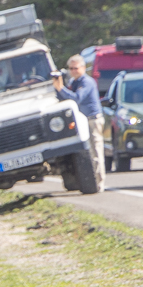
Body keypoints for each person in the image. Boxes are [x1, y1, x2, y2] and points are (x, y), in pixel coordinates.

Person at [53, 54, 104, 191]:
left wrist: (60, 88)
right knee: (88, 152)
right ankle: (94, 181)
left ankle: (100, 182)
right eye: (71, 68)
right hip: (83, 120)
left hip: (93, 119)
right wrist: (59, 87)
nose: (73, 71)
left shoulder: (86, 82)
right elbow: (64, 98)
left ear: (83, 68)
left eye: (76, 68)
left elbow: (76, 99)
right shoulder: (73, 82)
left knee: (95, 151)